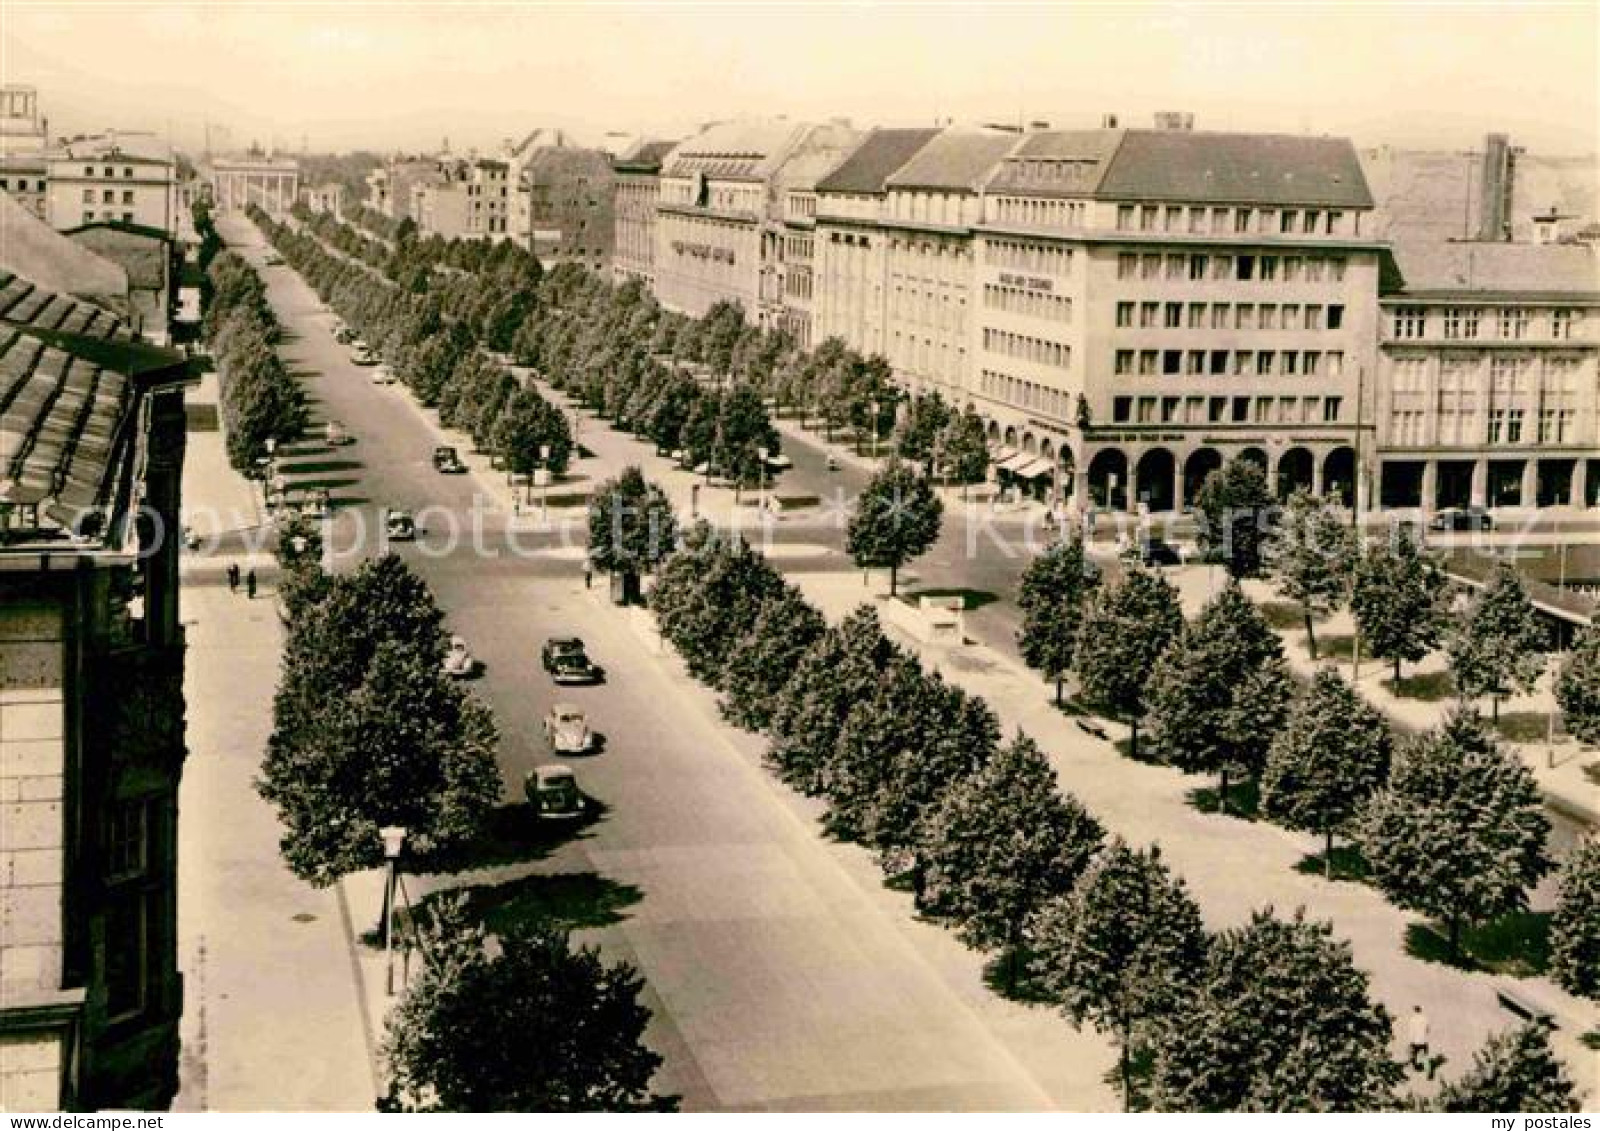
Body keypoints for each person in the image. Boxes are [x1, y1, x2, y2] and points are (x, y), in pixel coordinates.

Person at [1407, 1005, 1431, 1074]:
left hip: (1415, 1041)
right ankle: (1427, 1067)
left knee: (1414, 1054)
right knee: (1425, 1055)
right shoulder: (1425, 1018)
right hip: (1423, 1040)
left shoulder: (1412, 1019)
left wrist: (1411, 1041)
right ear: (1420, 1010)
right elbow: (1427, 1029)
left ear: (1414, 1011)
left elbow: (1411, 1031)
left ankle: (1415, 1067)